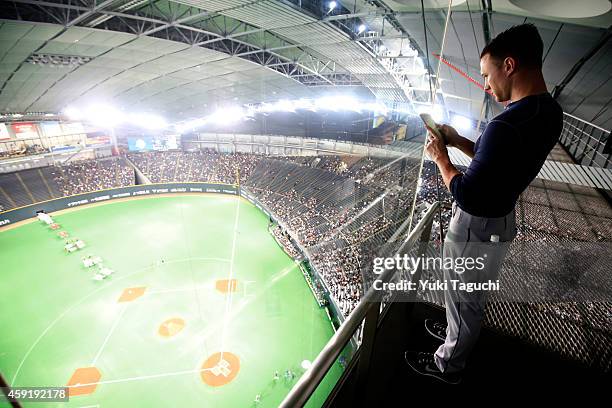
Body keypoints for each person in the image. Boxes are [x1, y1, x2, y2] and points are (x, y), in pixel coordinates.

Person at [404, 23, 563, 384]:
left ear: (509, 65)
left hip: (477, 223)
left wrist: (440, 157)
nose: (486, 85)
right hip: (502, 218)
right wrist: (459, 141)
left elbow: (468, 193)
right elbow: (497, 163)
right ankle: (453, 331)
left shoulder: (504, 125)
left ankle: (449, 365)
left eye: (487, 75)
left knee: (465, 298)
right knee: (467, 296)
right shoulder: (549, 113)